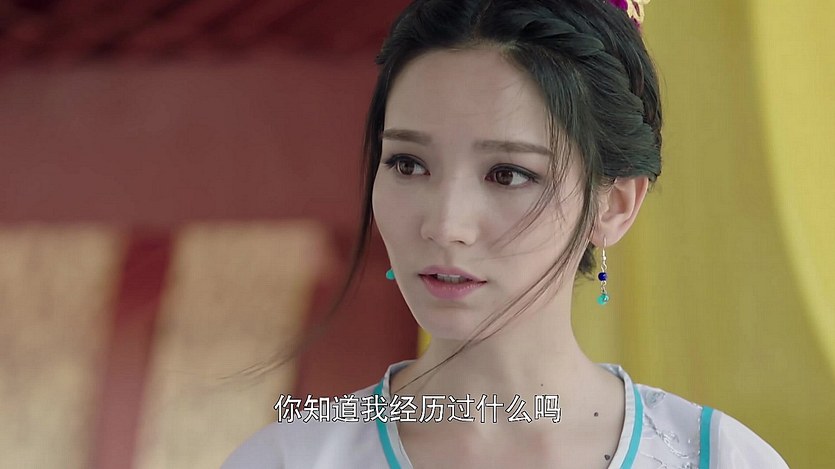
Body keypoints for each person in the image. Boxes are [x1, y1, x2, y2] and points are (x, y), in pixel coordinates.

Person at [224, 0, 790, 467]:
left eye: (508, 174)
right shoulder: (290, 458)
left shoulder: (718, 457)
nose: (444, 225)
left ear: (613, 205)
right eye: (408, 164)